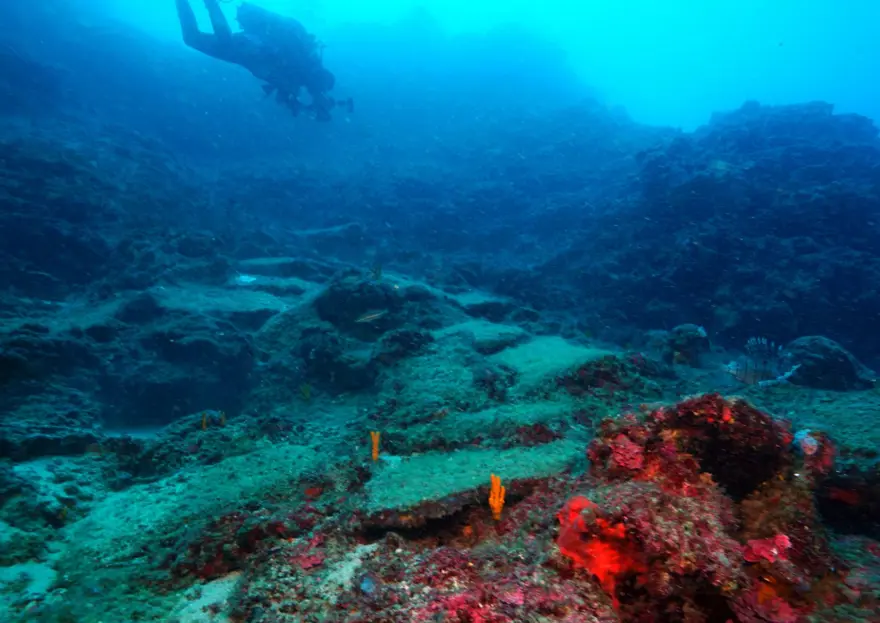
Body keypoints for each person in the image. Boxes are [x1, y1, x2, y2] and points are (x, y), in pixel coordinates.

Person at [174, 0, 349, 121]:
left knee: (192, 39)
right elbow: (296, 76)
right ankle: (210, 3)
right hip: (259, 50)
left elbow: (283, 93)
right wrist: (315, 100)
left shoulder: (307, 77)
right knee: (223, 42)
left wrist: (297, 103)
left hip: (252, 57)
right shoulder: (311, 74)